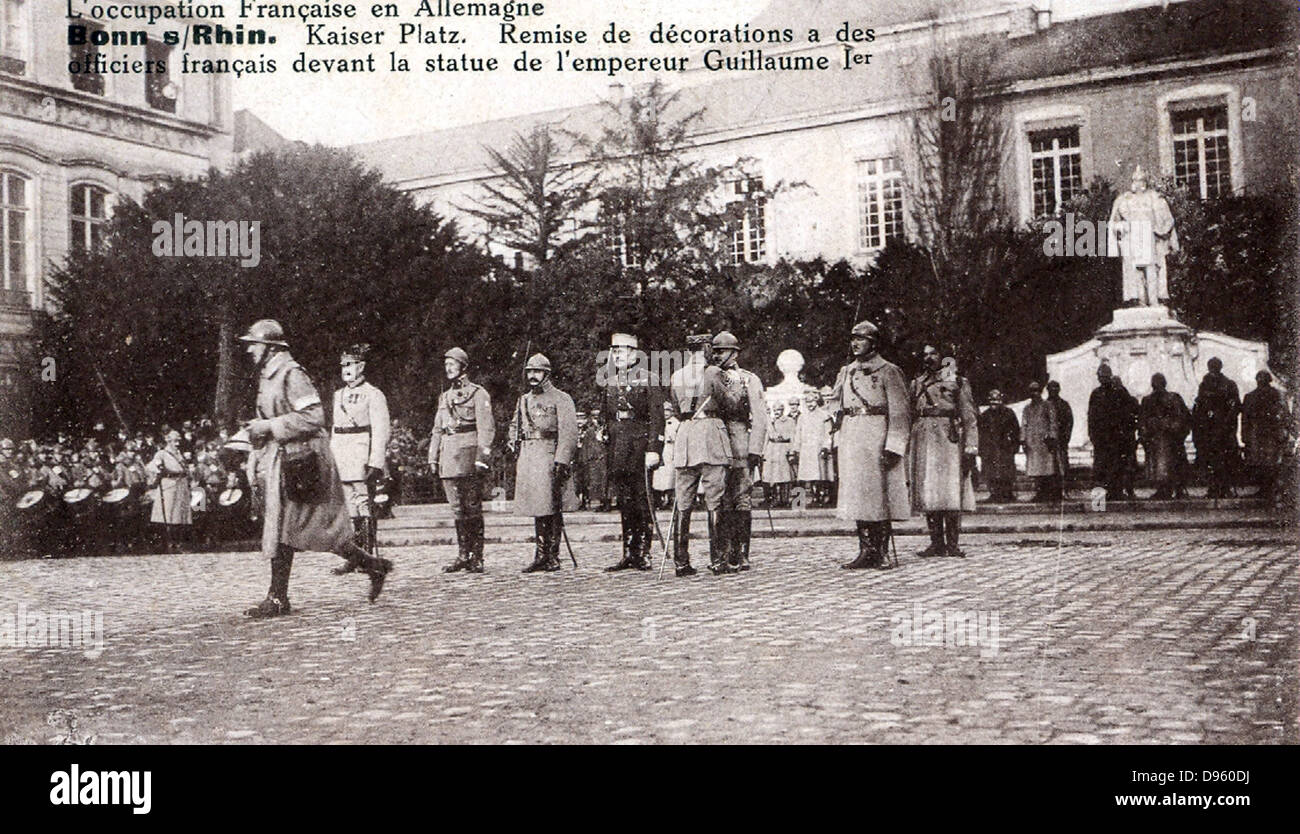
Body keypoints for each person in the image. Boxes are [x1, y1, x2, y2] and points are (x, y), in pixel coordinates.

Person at [238, 319, 392, 619]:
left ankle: (278, 598)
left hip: (305, 460)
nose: (249, 350)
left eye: (254, 344)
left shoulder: (291, 374)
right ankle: (373, 566)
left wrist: (269, 426)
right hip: (285, 459)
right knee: (296, 527)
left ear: (270, 348)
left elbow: (314, 416)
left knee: (305, 527)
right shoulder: (269, 376)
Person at [826, 320, 910, 569]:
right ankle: (866, 550)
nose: (855, 343)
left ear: (873, 343)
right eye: (853, 339)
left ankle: (881, 551)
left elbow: (901, 412)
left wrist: (894, 446)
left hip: (877, 434)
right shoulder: (847, 371)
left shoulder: (889, 371)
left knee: (878, 495)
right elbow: (833, 399)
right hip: (852, 435)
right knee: (858, 495)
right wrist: (835, 416)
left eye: (861, 339)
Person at [600, 332, 665, 572]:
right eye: (614, 350)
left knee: (642, 499)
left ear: (634, 353)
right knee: (625, 500)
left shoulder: (649, 379)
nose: (616, 355)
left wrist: (654, 449)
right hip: (618, 447)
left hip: (640, 446)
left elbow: (657, 419)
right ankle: (628, 553)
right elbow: (605, 415)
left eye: (621, 350)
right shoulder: (609, 381)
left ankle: (644, 552)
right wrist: (603, 432)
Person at [507, 354, 578, 573]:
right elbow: (514, 426)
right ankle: (540, 555)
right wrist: (512, 442)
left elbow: (569, 431)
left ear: (547, 374)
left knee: (552, 506)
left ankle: (553, 556)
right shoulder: (523, 400)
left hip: (549, 455)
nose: (532, 376)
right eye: (529, 372)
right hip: (529, 456)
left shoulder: (561, 398)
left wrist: (562, 460)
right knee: (538, 508)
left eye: (537, 371)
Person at [428, 346, 495, 573]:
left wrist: (481, 457)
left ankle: (477, 556)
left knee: (472, 507)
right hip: (448, 456)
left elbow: (486, 429)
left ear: (463, 367)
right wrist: (433, 457)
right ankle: (462, 555)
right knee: (456, 509)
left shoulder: (478, 394)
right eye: (446, 365)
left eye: (452, 364)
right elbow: (437, 429)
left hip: (468, 456)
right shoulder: (445, 397)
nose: (448, 368)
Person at [910, 345, 978, 557]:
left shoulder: (957, 382)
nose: (928, 358)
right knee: (929, 491)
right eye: (925, 354)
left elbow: (969, 417)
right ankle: (936, 542)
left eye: (933, 353)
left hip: (948, 439)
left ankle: (953, 544)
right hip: (924, 439)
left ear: (943, 356)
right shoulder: (917, 383)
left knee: (949, 491)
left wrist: (971, 447)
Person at [707, 331, 767, 573]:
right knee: (718, 498)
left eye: (722, 351)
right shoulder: (709, 377)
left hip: (740, 440)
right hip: (716, 442)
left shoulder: (748, 379)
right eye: (715, 350)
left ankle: (740, 553)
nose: (717, 355)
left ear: (734, 353)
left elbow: (760, 417)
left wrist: (755, 449)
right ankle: (720, 555)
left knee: (741, 497)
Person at [330, 343, 391, 568]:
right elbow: (335, 430)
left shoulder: (373, 394)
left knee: (364, 504)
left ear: (361, 366)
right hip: (342, 454)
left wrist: (375, 461)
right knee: (349, 507)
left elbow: (381, 430)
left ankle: (367, 555)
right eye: (343, 364)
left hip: (360, 453)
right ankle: (356, 559)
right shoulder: (338, 395)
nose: (345, 368)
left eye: (350, 364)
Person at [667, 332, 722, 577]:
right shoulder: (715, 373)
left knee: (683, 501)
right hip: (709, 436)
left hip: (685, 437)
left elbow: (677, 409)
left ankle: (681, 561)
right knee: (714, 498)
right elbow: (729, 403)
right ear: (706, 348)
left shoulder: (677, 376)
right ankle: (718, 559)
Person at [1107, 164, 1180, 307]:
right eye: (1135, 180)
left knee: (1151, 268)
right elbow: (1114, 221)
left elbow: (1167, 220)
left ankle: (1153, 299)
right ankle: (1141, 300)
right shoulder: (1124, 200)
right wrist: (1121, 228)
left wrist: (1159, 230)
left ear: (1145, 182)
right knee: (1136, 270)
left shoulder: (1155, 198)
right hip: (1133, 237)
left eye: (1140, 180)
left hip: (1150, 237)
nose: (1137, 183)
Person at [1087, 364, 1138, 502]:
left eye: (1104, 376)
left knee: (1115, 467)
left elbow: (1130, 411)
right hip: (1101, 437)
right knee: (1100, 468)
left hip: (1115, 437)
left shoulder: (1119, 392)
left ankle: (1115, 494)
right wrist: (1092, 434)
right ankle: (1098, 502)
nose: (1102, 379)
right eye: (1100, 376)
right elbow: (1091, 416)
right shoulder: (1096, 394)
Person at [1193, 357, 1242, 499]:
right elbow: (1200, 405)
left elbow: (1235, 406)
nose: (1213, 369)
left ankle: (1224, 487)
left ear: (1220, 367)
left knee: (1225, 458)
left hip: (1224, 428)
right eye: (1211, 366)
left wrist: (1227, 422)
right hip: (1208, 428)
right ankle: (1213, 487)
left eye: (1215, 366)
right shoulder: (1204, 385)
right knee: (1210, 458)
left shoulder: (1229, 384)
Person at [1138, 373, 1192, 500]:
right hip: (1158, 438)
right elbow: (1143, 420)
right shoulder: (1149, 400)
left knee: (1173, 463)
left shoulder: (1173, 398)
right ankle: (1165, 489)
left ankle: (1177, 489)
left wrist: (1173, 428)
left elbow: (1183, 418)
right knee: (1162, 465)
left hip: (1171, 438)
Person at [1240, 370, 1289, 502]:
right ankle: (1267, 488)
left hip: (1263, 434)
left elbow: (1245, 419)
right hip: (1265, 434)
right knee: (1267, 462)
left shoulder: (1252, 396)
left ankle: (1268, 488)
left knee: (1265, 462)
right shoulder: (1276, 395)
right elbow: (1246, 419)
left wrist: (1245, 436)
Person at [146, 429, 192, 552]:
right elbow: (151, 467)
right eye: (175, 440)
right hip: (169, 484)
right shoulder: (161, 453)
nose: (177, 443)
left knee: (180, 514)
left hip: (181, 483)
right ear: (168, 440)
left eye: (178, 440)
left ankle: (178, 543)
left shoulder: (179, 453)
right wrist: (159, 468)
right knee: (168, 514)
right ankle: (167, 543)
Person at [791, 389, 833, 507]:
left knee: (819, 475)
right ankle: (801, 501)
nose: (810, 404)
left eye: (812, 401)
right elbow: (798, 434)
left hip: (818, 449)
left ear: (817, 401)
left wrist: (826, 446)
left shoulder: (824, 415)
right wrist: (796, 449)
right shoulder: (802, 417)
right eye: (807, 402)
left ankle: (820, 497)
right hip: (806, 450)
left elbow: (828, 433)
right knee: (807, 476)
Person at [977, 389, 1019, 504]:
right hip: (990, 448)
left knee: (1006, 471)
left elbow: (1015, 430)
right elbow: (981, 433)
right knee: (990, 471)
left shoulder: (1009, 413)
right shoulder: (985, 415)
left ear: (1001, 400)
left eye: (996, 400)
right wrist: (981, 449)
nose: (994, 403)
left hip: (1005, 447)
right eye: (991, 400)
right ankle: (994, 494)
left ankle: (1007, 494)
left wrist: (1015, 446)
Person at [1021, 381, 1060, 502]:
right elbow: (1024, 424)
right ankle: (1039, 493)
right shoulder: (1027, 408)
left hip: (1045, 442)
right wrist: (1023, 440)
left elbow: (1053, 423)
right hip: (1032, 442)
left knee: (1047, 469)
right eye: (1032, 391)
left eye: (1036, 391)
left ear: (1040, 391)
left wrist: (1052, 437)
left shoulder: (1048, 405)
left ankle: (1047, 493)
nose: (1034, 394)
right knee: (1035, 470)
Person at [1045, 380, 1073, 500]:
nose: (1053, 391)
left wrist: (1066, 437)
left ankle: (1064, 490)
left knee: (1062, 466)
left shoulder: (1064, 405)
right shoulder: (1044, 405)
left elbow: (1069, 422)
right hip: (1047, 443)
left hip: (1061, 440)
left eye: (1056, 388)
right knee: (1049, 467)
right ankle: (1050, 491)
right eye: (1051, 389)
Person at [763, 400, 795, 507]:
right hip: (772, 449)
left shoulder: (789, 421)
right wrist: (764, 451)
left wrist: (791, 451)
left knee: (784, 475)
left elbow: (793, 436)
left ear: (783, 410)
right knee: (772, 476)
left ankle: (785, 499)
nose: (777, 412)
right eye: (775, 410)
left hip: (783, 448)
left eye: (779, 409)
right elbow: (767, 436)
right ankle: (774, 499)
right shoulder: (771, 421)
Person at [578, 413, 608, 511]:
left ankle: (605, 502)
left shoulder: (606, 430)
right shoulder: (589, 431)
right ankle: (587, 502)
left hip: (603, 458)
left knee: (604, 482)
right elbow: (585, 446)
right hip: (592, 459)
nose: (596, 420)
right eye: (594, 418)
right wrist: (584, 458)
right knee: (590, 481)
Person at [653, 401, 678, 508]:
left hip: (671, 449)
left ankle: (670, 498)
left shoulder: (676, 422)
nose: (666, 413)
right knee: (660, 476)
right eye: (664, 410)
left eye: (668, 410)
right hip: (662, 449)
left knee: (671, 476)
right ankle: (660, 499)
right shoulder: (659, 422)